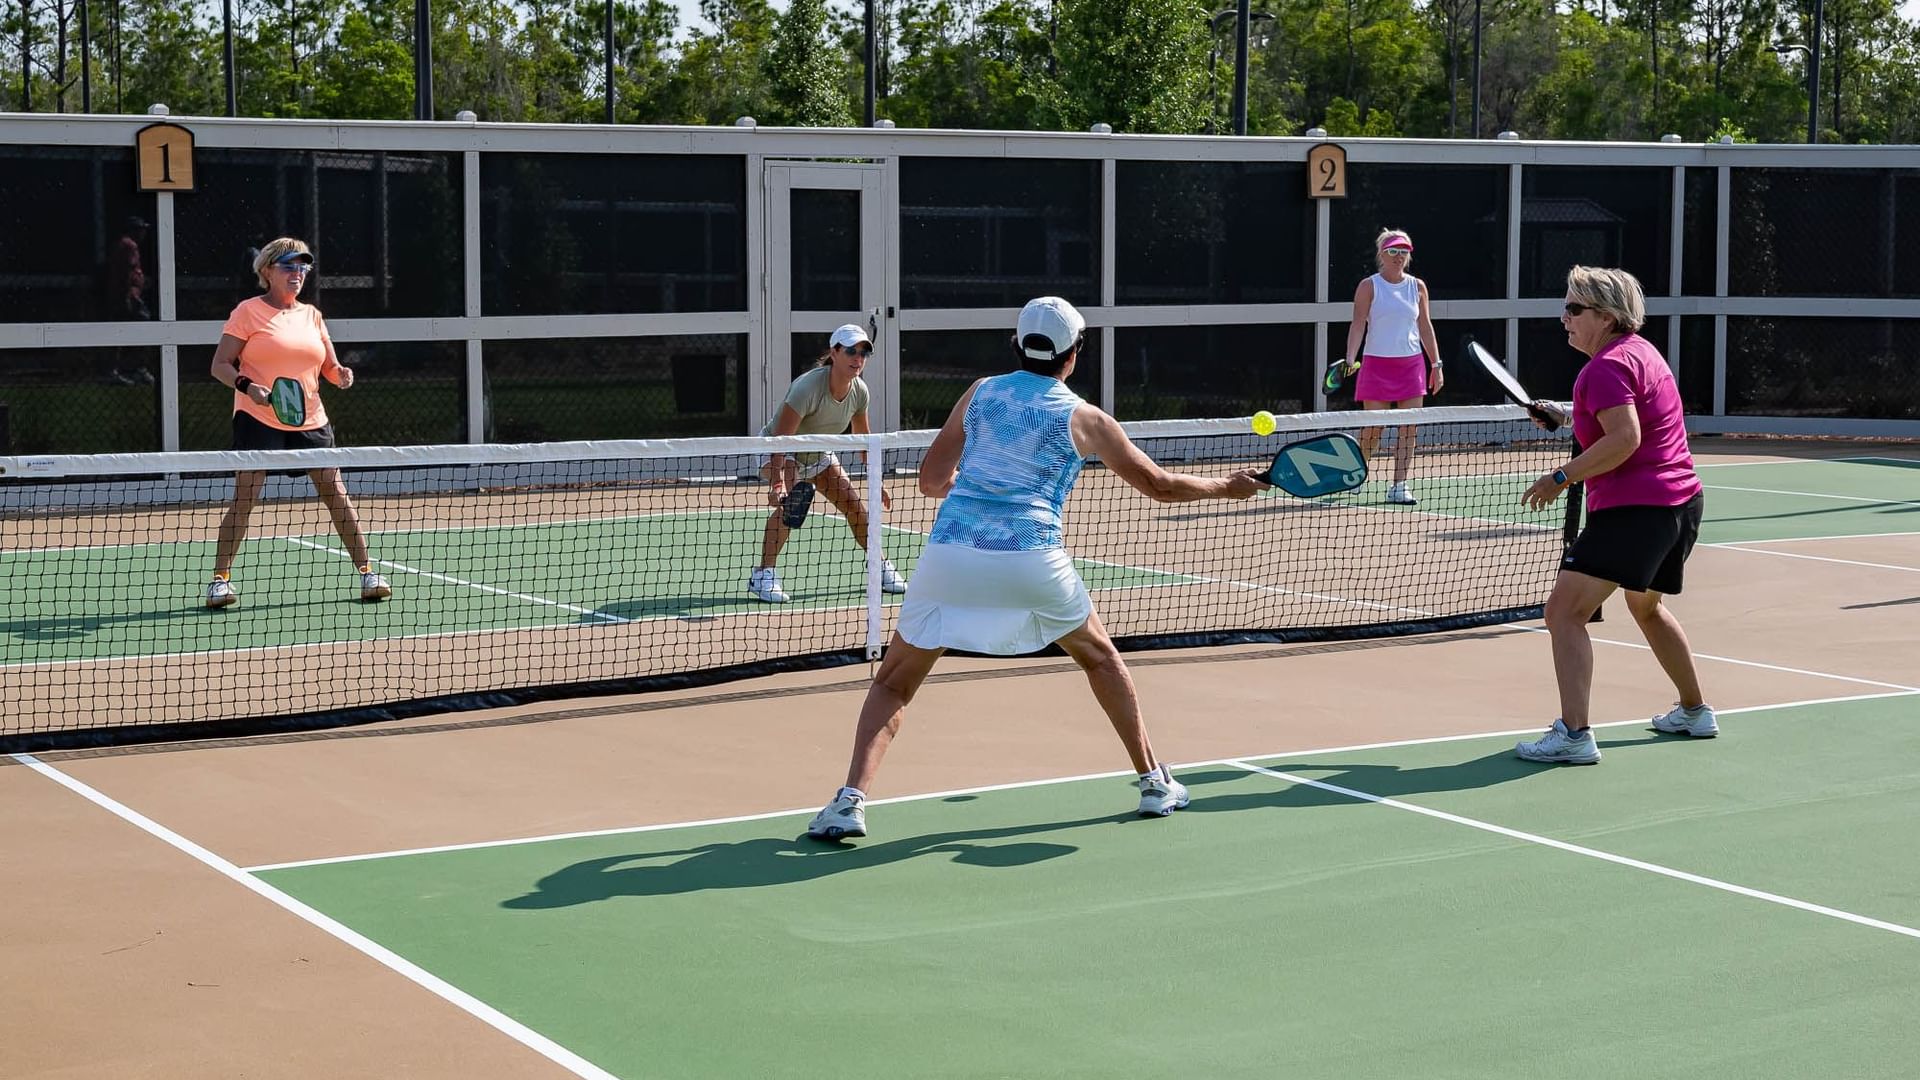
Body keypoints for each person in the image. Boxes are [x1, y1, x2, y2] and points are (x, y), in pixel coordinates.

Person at [805, 298, 1269, 840]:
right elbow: (1160, 487)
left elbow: (931, 481)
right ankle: (1153, 782)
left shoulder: (980, 391)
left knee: (893, 682)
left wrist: (980, 494)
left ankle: (850, 802)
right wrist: (1229, 486)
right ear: (1074, 356)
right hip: (1033, 559)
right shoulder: (1088, 419)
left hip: (950, 554)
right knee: (1100, 659)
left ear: (1017, 346)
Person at [1515, 266, 1715, 765]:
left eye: (1574, 309)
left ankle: (1574, 736)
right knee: (1646, 607)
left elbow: (1625, 439)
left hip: (1636, 512)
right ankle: (1694, 711)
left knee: (1564, 613)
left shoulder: (1602, 368)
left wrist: (1560, 477)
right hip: (1681, 506)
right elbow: (1621, 421)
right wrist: (1564, 417)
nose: (1564, 318)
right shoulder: (1641, 354)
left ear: (1605, 316)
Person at [203, 238, 391, 609]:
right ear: (268, 270)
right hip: (258, 417)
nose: (297, 274)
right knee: (246, 495)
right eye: (289, 266)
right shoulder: (247, 312)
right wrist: (247, 386)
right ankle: (219, 581)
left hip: (310, 419)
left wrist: (341, 375)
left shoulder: (312, 316)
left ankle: (369, 573)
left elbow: (329, 367)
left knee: (335, 492)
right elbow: (220, 365)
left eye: (303, 267)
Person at [749, 323, 906, 603]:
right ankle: (763, 575)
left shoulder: (860, 392)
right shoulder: (807, 387)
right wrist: (777, 483)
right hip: (783, 449)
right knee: (792, 505)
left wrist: (876, 482)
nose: (858, 359)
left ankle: (879, 566)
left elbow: (863, 442)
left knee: (855, 507)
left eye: (863, 353)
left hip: (818, 454)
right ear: (834, 353)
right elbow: (781, 439)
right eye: (851, 351)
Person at [1341, 229, 1443, 505]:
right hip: (1376, 365)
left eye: (1404, 252)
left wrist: (1436, 364)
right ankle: (1356, 474)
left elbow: (1425, 326)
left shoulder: (1417, 287)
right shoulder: (1368, 286)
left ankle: (1399, 485)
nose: (1399, 257)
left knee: (1408, 428)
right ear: (1382, 254)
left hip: (1411, 366)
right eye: (1394, 251)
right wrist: (1350, 358)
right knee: (1374, 428)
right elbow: (1358, 323)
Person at [106, 215, 151, 321]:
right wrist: (127, 297)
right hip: (129, 295)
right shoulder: (129, 246)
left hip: (123, 294)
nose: (143, 233)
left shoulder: (121, 243)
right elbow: (127, 271)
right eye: (140, 230)